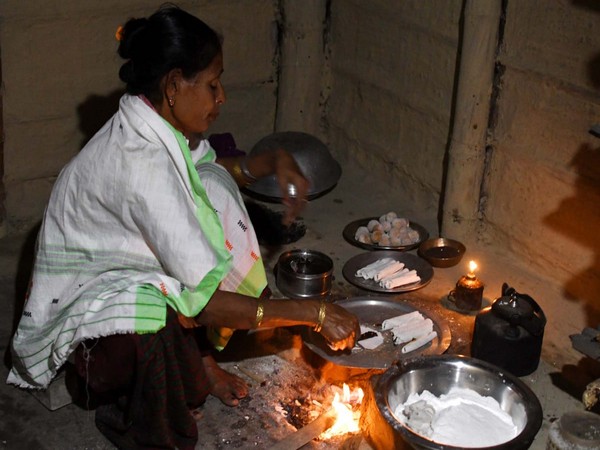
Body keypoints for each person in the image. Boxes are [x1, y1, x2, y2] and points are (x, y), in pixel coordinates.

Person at [7, 5, 359, 449]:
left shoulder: (148, 120)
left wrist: (264, 162)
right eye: (213, 84)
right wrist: (314, 313)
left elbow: (203, 170)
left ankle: (199, 363)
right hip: (90, 329)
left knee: (211, 186)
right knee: (151, 316)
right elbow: (208, 305)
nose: (222, 96)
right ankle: (137, 425)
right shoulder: (142, 162)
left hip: (119, 267)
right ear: (174, 86)